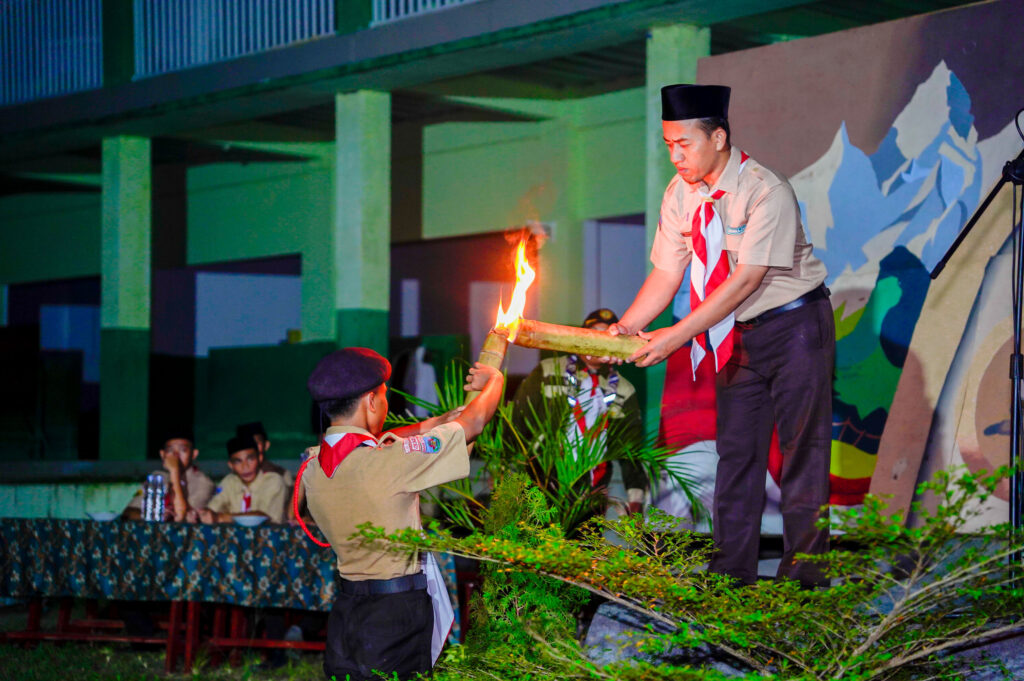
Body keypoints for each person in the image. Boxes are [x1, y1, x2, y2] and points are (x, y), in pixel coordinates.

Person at [608, 84, 834, 587]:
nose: (675, 155)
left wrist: (675, 338)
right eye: (668, 144)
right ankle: (732, 576)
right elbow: (667, 275)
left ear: (719, 137)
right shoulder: (678, 196)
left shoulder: (764, 189)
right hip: (736, 334)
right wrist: (627, 327)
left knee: (804, 453)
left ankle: (807, 581)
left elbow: (745, 280)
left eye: (684, 144)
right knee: (737, 455)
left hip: (796, 325)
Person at [300, 347, 503, 681]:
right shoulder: (390, 463)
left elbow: (376, 442)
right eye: (383, 397)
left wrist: (439, 422)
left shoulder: (312, 465)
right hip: (396, 615)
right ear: (370, 402)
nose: (385, 405)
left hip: (347, 610)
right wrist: (495, 379)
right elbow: (475, 422)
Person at [512, 308, 648, 517]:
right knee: (537, 546)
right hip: (542, 481)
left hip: (592, 490)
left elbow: (630, 448)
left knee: (583, 548)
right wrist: (505, 469)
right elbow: (517, 422)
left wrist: (636, 498)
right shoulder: (548, 371)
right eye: (593, 336)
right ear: (581, 338)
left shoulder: (624, 389)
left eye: (605, 339)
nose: (598, 344)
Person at [122, 431, 215, 522]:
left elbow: (182, 517)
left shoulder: (204, 483)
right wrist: (153, 516)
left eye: (183, 450)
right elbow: (128, 512)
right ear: (163, 455)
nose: (176, 455)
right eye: (170, 450)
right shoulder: (157, 477)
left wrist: (174, 472)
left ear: (194, 454)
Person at [198, 434, 289, 524]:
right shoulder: (230, 481)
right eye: (238, 461)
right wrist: (203, 514)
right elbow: (212, 509)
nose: (245, 467)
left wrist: (221, 518)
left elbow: (261, 517)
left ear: (260, 458)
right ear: (231, 465)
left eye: (250, 459)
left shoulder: (273, 481)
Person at [236, 420, 295, 488]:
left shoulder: (282, 474)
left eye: (256, 443)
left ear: (266, 445)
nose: (252, 448)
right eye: (247, 444)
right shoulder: (233, 478)